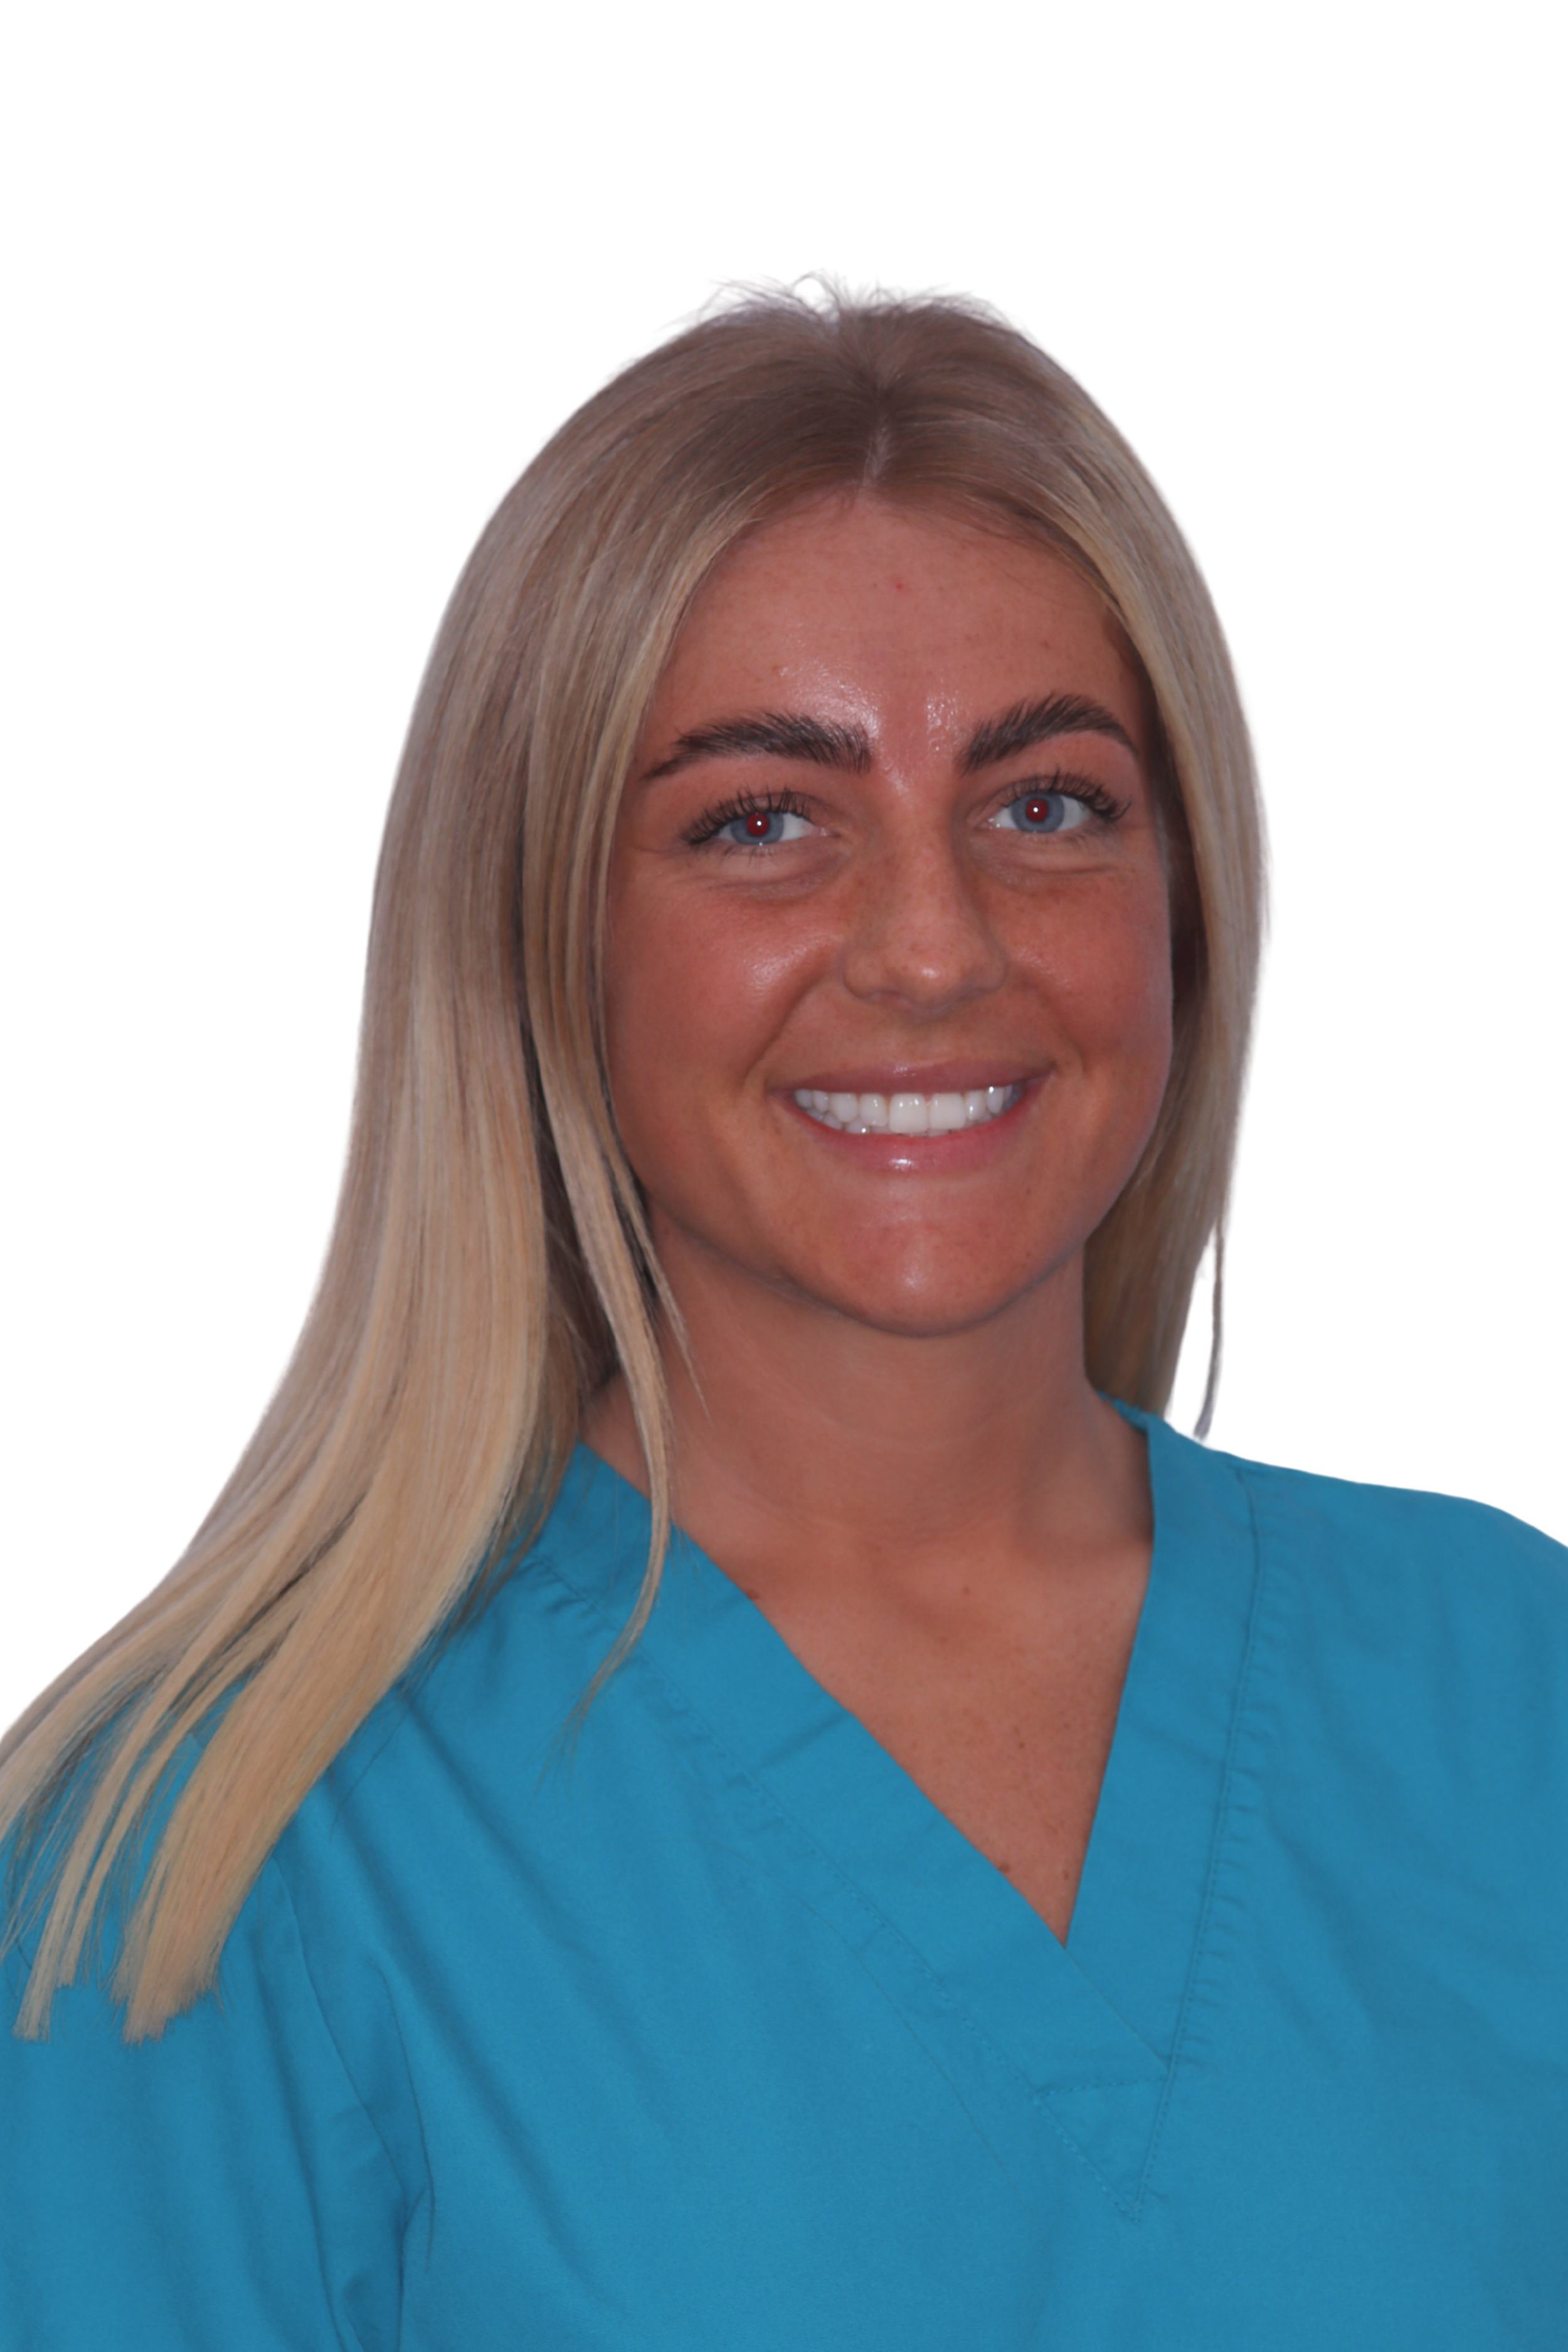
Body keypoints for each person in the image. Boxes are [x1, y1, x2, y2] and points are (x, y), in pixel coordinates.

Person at [3, 288, 1565, 2350]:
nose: (930, 945)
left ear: (1184, 895)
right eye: (760, 821)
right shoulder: (216, 1859)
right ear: (541, 930)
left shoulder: (1508, 1692)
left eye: (1046, 803)